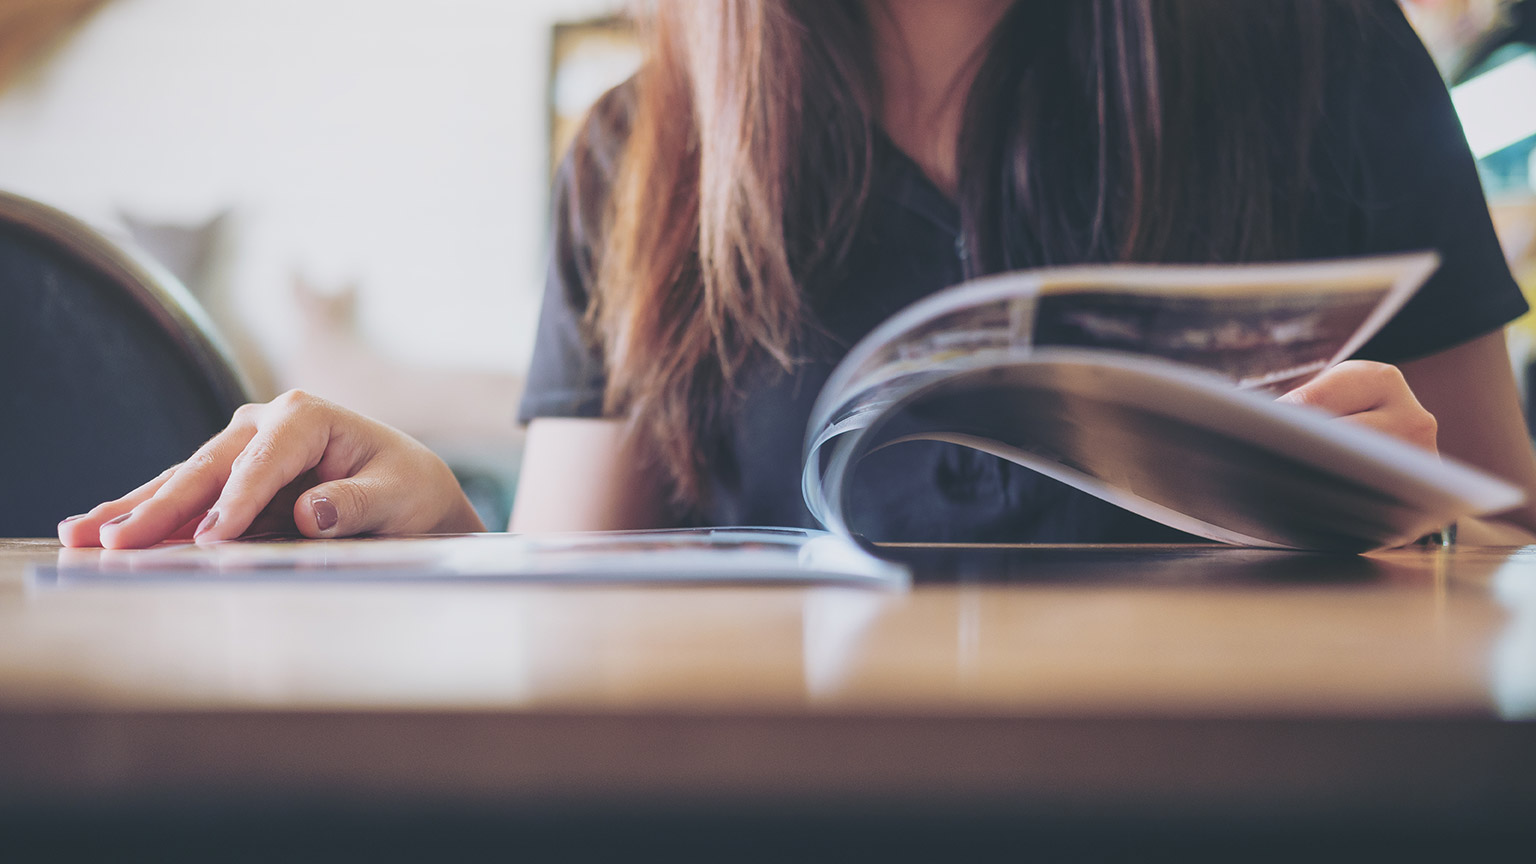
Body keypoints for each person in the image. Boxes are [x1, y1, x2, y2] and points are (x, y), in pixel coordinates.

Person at [59, 0, 1536, 550]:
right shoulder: (643, 148)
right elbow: (582, 611)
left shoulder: (1327, 53)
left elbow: (1510, 538)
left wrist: (1412, 522)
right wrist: (441, 530)